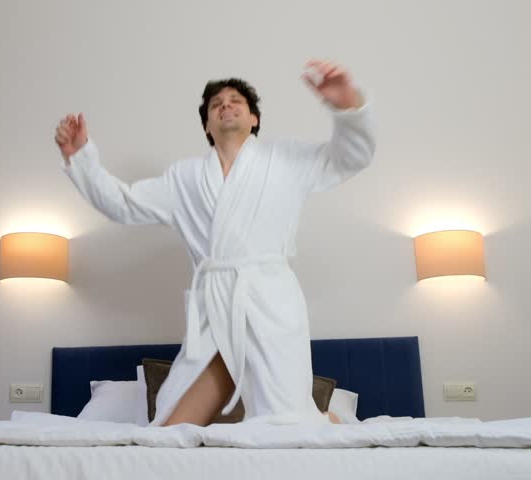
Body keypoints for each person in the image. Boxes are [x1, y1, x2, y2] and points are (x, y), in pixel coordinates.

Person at [55, 59, 376, 427]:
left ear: (254, 118)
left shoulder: (286, 160)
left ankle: (328, 421)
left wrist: (346, 106)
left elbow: (352, 157)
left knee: (288, 423)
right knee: (169, 431)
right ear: (207, 124)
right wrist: (81, 158)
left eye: (236, 100)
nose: (225, 105)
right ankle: (317, 419)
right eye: (215, 103)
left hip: (270, 304)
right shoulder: (184, 178)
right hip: (213, 311)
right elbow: (123, 203)